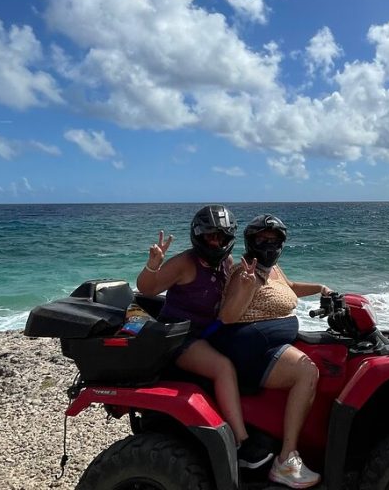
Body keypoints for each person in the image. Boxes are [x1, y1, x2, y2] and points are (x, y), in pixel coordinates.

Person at [135, 204, 273, 470]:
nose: (216, 242)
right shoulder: (185, 263)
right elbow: (148, 288)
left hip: (209, 333)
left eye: (221, 237)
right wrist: (153, 265)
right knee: (223, 368)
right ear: (198, 235)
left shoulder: (226, 263)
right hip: (179, 337)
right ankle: (241, 444)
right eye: (210, 236)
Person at [211, 214, 332, 489]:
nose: (268, 244)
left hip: (269, 345)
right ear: (250, 242)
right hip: (250, 350)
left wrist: (320, 288)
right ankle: (286, 460)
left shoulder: (273, 268)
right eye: (262, 239)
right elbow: (227, 316)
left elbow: (290, 288)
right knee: (307, 372)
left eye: (274, 239)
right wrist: (245, 286)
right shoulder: (244, 272)